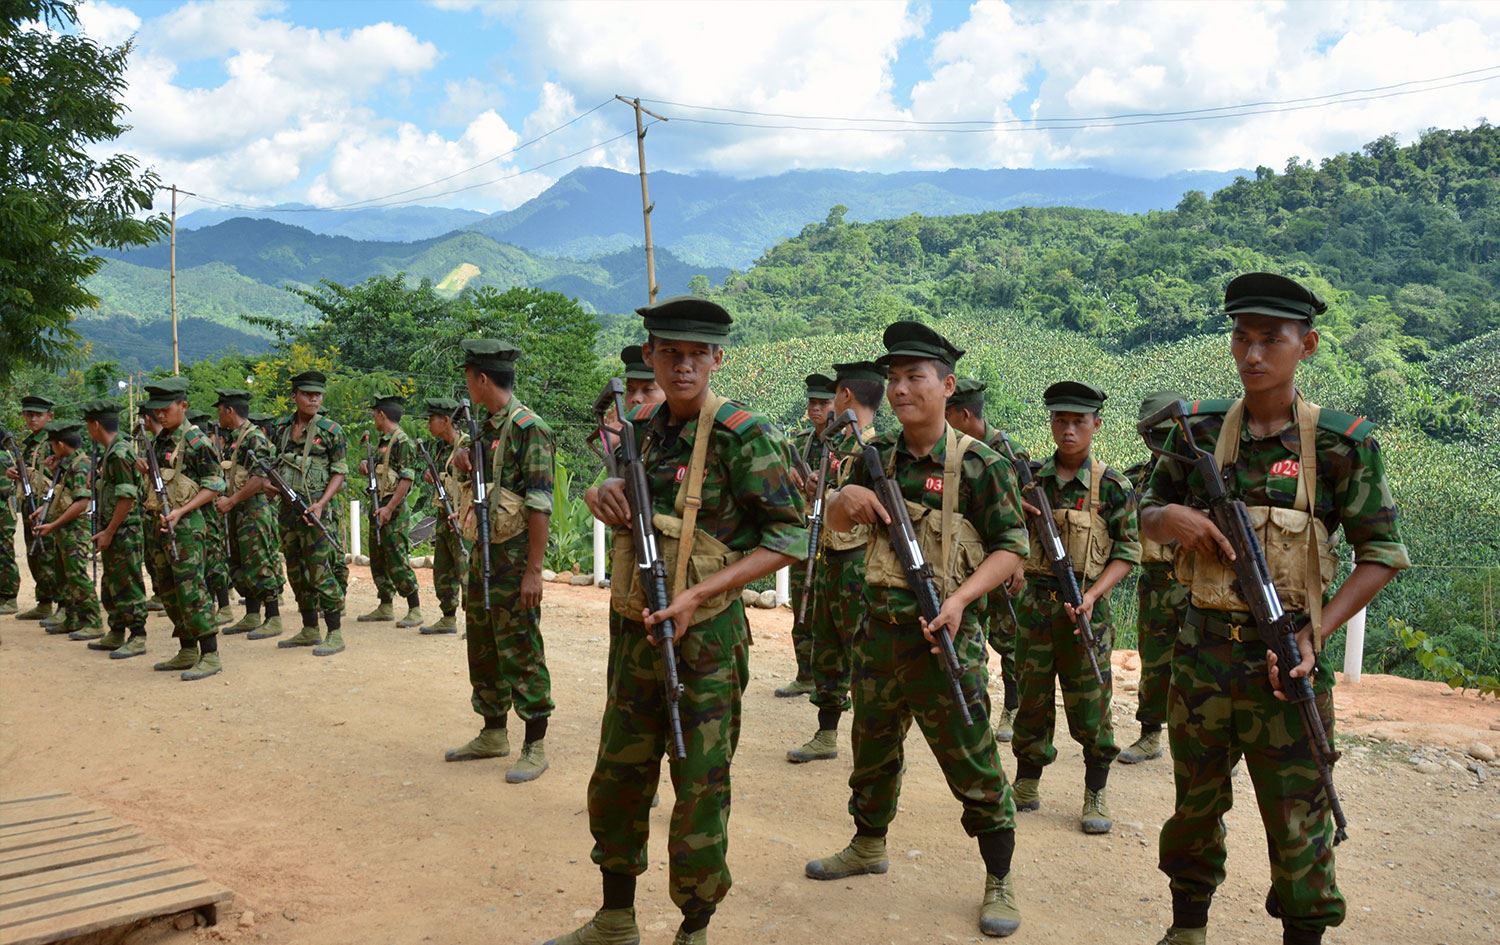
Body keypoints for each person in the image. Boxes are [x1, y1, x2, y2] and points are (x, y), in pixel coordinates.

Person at [1141, 273, 1410, 945]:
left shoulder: (1343, 445)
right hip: (1203, 654)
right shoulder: (1196, 431)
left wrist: (1317, 630)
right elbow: (1143, 514)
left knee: (1299, 821)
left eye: (1272, 339)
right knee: (1194, 808)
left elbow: (1381, 552)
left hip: (1285, 665)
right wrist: (1172, 516)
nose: (1253, 353)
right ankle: (1187, 926)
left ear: (1307, 345)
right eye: (1242, 337)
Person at [547, 297, 807, 945]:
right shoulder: (640, 425)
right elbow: (613, 492)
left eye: (697, 355)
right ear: (651, 358)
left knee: (697, 787)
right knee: (619, 774)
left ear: (718, 358)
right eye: (670, 353)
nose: (684, 366)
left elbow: (788, 538)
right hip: (635, 627)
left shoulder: (744, 436)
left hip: (707, 639)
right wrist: (597, 494)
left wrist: (698, 595)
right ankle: (615, 916)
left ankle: (694, 925)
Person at [805, 322, 1030, 939]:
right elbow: (832, 523)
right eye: (894, 378)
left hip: (944, 638)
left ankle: (999, 877)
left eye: (916, 377)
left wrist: (959, 599)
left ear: (946, 385)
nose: (901, 389)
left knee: (972, 758)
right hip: (878, 632)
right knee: (872, 747)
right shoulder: (872, 459)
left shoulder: (980, 465)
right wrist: (844, 499)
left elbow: (1013, 548)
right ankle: (868, 843)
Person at [1007, 381, 1139, 835]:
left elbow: (1128, 551)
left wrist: (1094, 594)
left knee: (1091, 704)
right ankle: (1026, 783)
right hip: (1035, 608)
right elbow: (1007, 537)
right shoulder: (1031, 482)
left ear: (1096, 425)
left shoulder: (1113, 487)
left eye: (1078, 422)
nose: (1068, 430)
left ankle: (1095, 791)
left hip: (1085, 609)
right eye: (1060, 421)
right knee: (1031, 698)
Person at [443, 340, 556, 785]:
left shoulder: (530, 428)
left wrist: (533, 571)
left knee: (522, 648)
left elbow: (540, 504)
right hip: (484, 555)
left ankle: (535, 742)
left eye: (470, 376)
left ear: (482, 379)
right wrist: (466, 461)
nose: (468, 384)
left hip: (513, 559)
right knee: (484, 644)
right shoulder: (484, 428)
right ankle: (492, 731)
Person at [786, 359, 884, 763]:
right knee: (826, 646)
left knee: (861, 651)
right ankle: (826, 733)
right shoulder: (833, 444)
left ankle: (876, 739)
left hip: (857, 561)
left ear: (844, 395)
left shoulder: (875, 451)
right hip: (826, 554)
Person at [945, 377, 1026, 742]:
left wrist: (1018, 564)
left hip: (1004, 564)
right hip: (969, 563)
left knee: (1009, 639)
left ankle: (1012, 707)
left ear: (963, 414)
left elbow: (1028, 519)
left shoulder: (1006, 454)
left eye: (947, 413)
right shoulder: (953, 452)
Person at [136, 377, 226, 681]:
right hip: (159, 523)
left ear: (183, 406)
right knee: (167, 588)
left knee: (192, 589)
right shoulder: (162, 441)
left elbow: (215, 485)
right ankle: (187, 648)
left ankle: (209, 653)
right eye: (156, 411)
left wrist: (182, 511)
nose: (160, 415)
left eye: (166, 409)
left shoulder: (197, 441)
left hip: (187, 527)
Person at [1118, 390, 1189, 765]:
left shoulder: (1203, 475)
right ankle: (1150, 734)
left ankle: (1202, 742)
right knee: (1155, 661)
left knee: (1200, 665)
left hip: (1196, 585)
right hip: (1156, 581)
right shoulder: (1136, 478)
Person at [269, 371, 348, 656]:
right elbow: (273, 466)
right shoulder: (279, 428)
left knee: (319, 571)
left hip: (316, 511)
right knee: (296, 571)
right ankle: (309, 627)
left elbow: (339, 473)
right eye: (307, 394)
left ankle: (334, 631)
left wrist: (322, 503)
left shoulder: (331, 431)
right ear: (295, 396)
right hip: (288, 511)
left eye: (318, 394)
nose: (314, 398)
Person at [776, 371, 836, 699]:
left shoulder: (847, 444)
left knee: (834, 613)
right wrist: (792, 478)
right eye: (812, 402)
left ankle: (838, 682)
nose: (815, 409)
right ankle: (805, 673)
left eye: (823, 403)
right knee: (802, 602)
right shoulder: (801, 442)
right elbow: (783, 478)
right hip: (805, 532)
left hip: (837, 539)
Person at [215, 388, 287, 640]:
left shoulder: (254, 437)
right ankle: (253, 614)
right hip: (238, 510)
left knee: (259, 562)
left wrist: (232, 500)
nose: (218, 415)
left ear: (229, 410)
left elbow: (259, 478)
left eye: (220, 409)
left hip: (253, 510)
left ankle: (273, 617)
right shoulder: (237, 438)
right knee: (240, 563)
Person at [81, 400, 148, 657]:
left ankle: (138, 635)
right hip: (113, 527)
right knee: (112, 582)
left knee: (128, 582)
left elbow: (127, 497)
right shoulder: (111, 451)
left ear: (96, 425)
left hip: (124, 529)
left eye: (89, 426)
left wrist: (109, 531)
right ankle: (117, 630)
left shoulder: (119, 452)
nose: (89, 431)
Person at [29, 419, 103, 639]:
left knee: (77, 575)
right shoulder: (66, 464)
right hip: (63, 528)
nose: (51, 450)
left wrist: (53, 524)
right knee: (64, 577)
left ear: (61, 444)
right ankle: (71, 618)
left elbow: (81, 502)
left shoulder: (80, 465)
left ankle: (93, 621)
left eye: (52, 445)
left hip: (74, 529)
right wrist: (44, 508)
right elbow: (62, 493)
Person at [356, 394, 424, 628]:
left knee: (396, 557)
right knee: (378, 556)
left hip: (392, 509)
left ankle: (414, 607)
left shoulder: (402, 441)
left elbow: (406, 480)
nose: (373, 418)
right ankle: (385, 604)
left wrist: (389, 508)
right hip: (378, 505)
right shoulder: (382, 442)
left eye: (374, 414)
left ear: (382, 415)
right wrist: (367, 467)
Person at [416, 396, 467, 636]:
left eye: (432, 419)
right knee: (443, 569)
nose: (428, 424)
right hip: (442, 514)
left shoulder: (466, 446)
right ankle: (448, 616)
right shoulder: (440, 448)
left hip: (462, 515)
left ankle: (476, 623)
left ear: (446, 420)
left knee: (466, 568)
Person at [6, 394, 58, 621]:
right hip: (30, 505)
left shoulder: (55, 441)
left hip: (49, 507)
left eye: (37, 415)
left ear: (50, 416)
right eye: (28, 415)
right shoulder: (30, 444)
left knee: (52, 556)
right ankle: (44, 602)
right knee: (35, 554)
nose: (32, 419)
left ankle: (64, 605)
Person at [189, 406, 235, 627]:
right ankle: (212, 603)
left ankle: (225, 605)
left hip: (209, 512)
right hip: (199, 512)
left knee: (215, 560)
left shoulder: (203, 448)